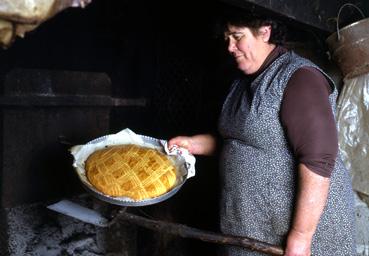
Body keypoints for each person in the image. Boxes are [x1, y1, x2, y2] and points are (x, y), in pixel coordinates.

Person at [168, 10, 356, 256]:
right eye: (226, 38)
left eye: (237, 36)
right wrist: (194, 144)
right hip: (251, 229)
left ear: (265, 32)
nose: (230, 47)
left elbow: (318, 161)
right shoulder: (242, 81)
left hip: (302, 237)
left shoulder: (299, 78)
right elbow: (237, 140)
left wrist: (301, 237)